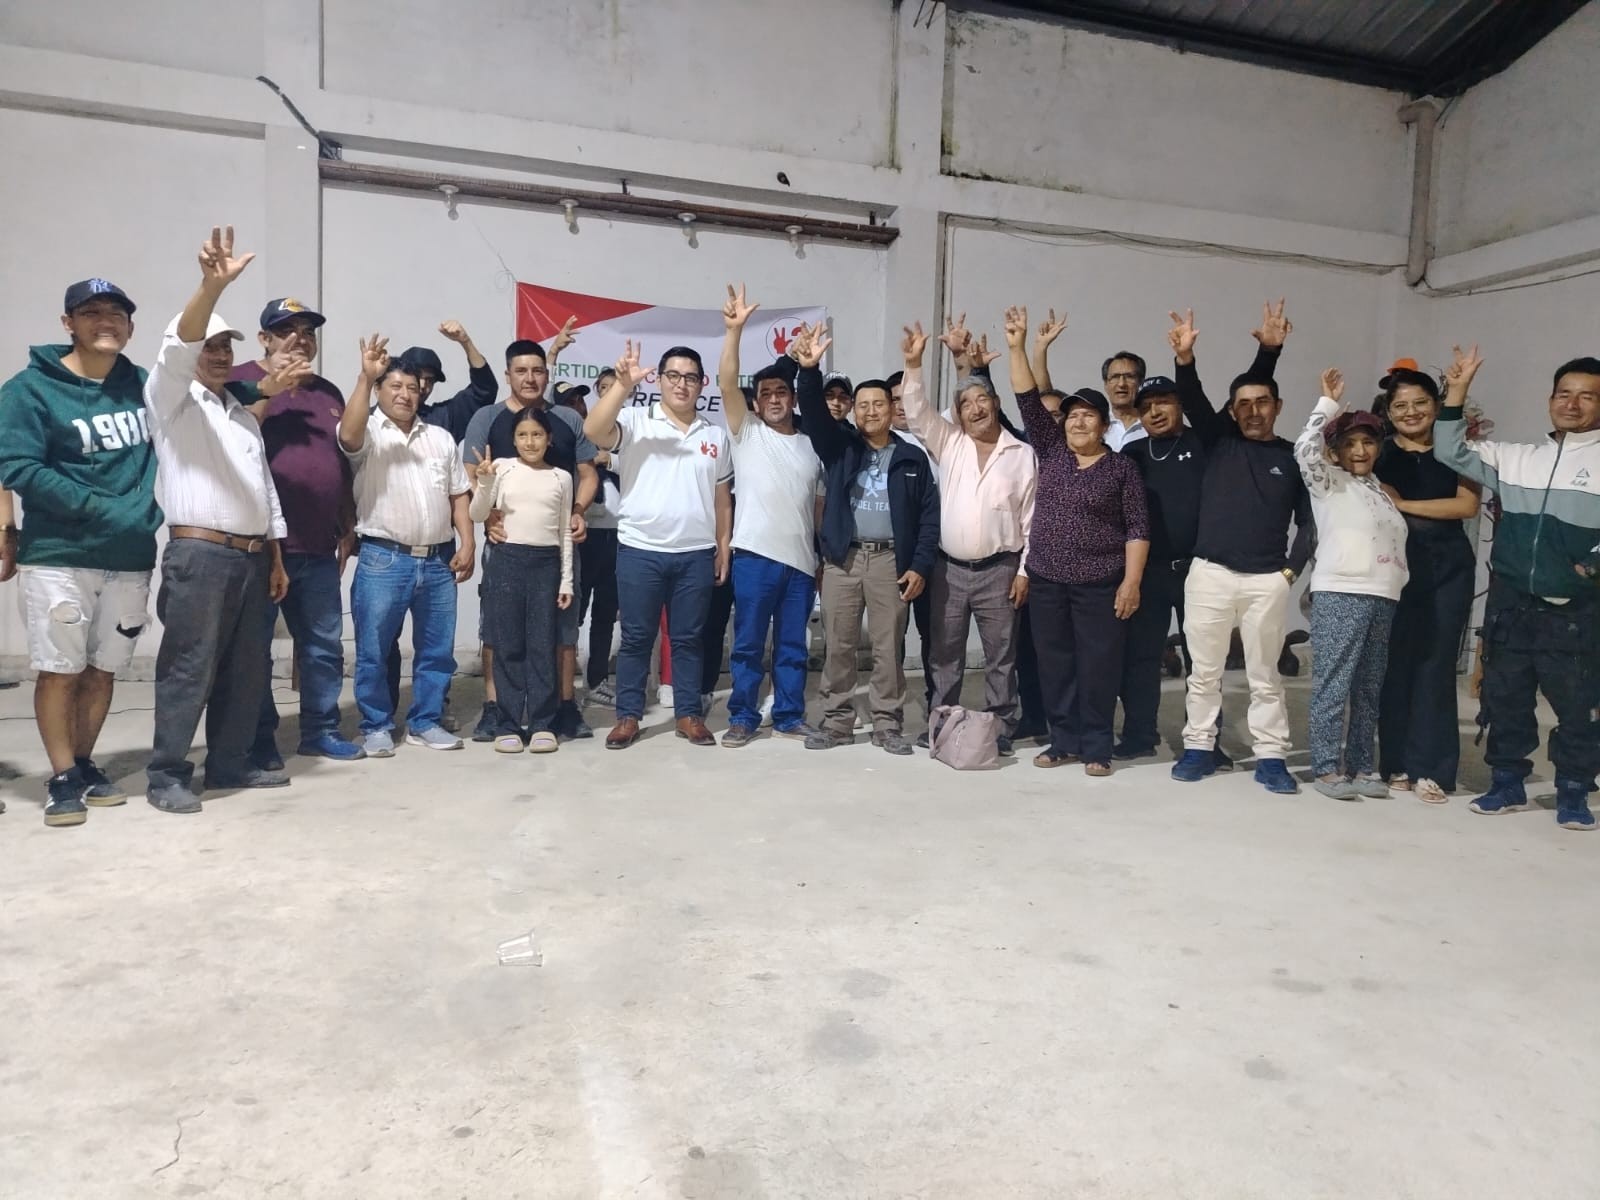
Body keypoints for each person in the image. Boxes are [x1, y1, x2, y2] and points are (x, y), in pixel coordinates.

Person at [0, 277, 161, 826]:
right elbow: (18, 467)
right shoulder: (28, 390)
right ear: (68, 323)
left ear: (130, 326)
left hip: (130, 555)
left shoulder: (141, 385)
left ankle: (85, 761)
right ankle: (62, 775)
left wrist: (262, 389)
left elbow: (204, 397)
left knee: (103, 669)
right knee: (59, 670)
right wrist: (99, 507)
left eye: (116, 312)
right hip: (59, 555)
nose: (105, 321)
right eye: (91, 312)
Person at [142, 227, 291, 814]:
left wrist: (274, 557)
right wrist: (211, 288)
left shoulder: (243, 415)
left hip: (253, 557)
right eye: (211, 345)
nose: (221, 354)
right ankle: (167, 775)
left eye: (228, 346)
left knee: (246, 668)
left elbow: (264, 492)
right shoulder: (172, 399)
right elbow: (177, 348)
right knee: (189, 666)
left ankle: (229, 762)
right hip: (199, 556)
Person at [1435, 346, 1600, 831]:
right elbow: (1450, 450)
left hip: (1574, 610)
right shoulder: (1517, 458)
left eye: (1587, 396)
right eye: (1563, 394)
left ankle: (1574, 790)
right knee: (1505, 699)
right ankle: (1506, 782)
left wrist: (1591, 568)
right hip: (1510, 605)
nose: (1572, 404)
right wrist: (1457, 392)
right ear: (1550, 400)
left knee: (1579, 706)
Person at [1167, 302, 1310, 794]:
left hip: (1267, 580)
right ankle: (1199, 748)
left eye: (1262, 402)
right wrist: (1185, 358)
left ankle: (1271, 757)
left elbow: (1309, 524)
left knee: (1265, 675)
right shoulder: (1219, 442)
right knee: (1203, 672)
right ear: (1232, 411)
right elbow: (1192, 397)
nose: (1253, 410)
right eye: (1243, 404)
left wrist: (1289, 573)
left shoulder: (1293, 459)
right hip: (1210, 574)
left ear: (1278, 407)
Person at [1007, 306, 1149, 776]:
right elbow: (1027, 397)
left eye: (1089, 417)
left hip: (1099, 585)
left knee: (1098, 666)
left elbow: (1137, 528)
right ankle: (1063, 740)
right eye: (1072, 417)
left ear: (1105, 426)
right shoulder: (1051, 452)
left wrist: (1131, 582)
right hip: (1048, 581)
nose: (1078, 423)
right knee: (1054, 663)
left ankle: (1097, 746)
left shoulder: (1121, 468)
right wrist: (1017, 346)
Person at [234, 294, 362, 766]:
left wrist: (347, 520)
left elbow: (338, 462)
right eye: (287, 331)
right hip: (260, 546)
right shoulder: (240, 380)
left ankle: (320, 731)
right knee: (254, 651)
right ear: (264, 338)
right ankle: (259, 739)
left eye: (308, 332)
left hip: (319, 544)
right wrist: (270, 386)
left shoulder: (327, 392)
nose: (300, 340)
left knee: (323, 646)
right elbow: (236, 440)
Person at [584, 340, 732, 749]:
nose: (681, 384)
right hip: (641, 550)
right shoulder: (635, 420)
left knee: (688, 639)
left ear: (702, 383)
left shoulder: (715, 435)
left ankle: (688, 714)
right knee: (636, 638)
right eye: (673, 376)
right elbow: (593, 430)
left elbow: (722, 498)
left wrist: (723, 545)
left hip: (695, 554)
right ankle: (628, 716)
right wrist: (622, 386)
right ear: (660, 380)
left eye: (690, 377)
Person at [799, 327, 940, 755]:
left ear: (891, 409)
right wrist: (809, 371)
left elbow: (929, 517)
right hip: (843, 560)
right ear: (854, 411)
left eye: (879, 403)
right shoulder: (839, 446)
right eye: (863, 405)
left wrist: (919, 565)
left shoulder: (912, 457)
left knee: (887, 648)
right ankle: (837, 721)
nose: (871, 411)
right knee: (839, 646)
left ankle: (887, 724)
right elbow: (813, 414)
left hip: (889, 562)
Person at [900, 321, 1036, 755]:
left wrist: (1025, 572)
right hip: (950, 570)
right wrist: (914, 363)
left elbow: (1032, 520)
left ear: (996, 404)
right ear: (957, 414)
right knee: (945, 653)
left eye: (982, 400)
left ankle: (1002, 727)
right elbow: (916, 412)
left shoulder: (1022, 454)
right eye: (966, 404)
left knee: (1001, 655)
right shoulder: (949, 444)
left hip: (1001, 570)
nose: (975, 409)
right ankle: (941, 722)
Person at [339, 336, 475, 757]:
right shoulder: (368, 433)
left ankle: (426, 721)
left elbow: (458, 494)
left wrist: (468, 541)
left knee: (437, 651)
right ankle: (376, 726)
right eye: (395, 386)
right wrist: (365, 377)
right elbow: (347, 435)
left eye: (413, 388)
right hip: (383, 559)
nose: (405, 394)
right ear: (380, 390)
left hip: (437, 560)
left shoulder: (440, 438)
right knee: (375, 651)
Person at [465, 334, 597, 741]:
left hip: (555, 545)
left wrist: (577, 512)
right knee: (497, 630)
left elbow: (587, 474)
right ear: (507, 375)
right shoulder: (487, 418)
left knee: (560, 630)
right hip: (505, 547)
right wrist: (487, 518)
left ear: (547, 374)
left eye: (538, 370)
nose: (530, 378)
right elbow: (473, 477)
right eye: (520, 370)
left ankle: (562, 709)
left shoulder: (568, 419)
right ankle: (496, 709)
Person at [1294, 368, 1410, 800]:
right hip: (1342, 592)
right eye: (1350, 443)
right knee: (1334, 683)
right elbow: (1304, 450)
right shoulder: (1329, 482)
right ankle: (1326, 767)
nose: (1360, 450)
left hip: (1383, 596)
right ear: (1336, 450)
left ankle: (1362, 766)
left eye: (1368, 442)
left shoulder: (1381, 490)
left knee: (1368, 687)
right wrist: (1326, 405)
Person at [715, 285, 824, 746]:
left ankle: (788, 716)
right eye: (766, 394)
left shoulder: (812, 444)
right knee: (747, 645)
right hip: (754, 558)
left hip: (800, 564)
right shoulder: (747, 432)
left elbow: (817, 507)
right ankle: (742, 716)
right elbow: (726, 382)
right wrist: (734, 332)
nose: (775, 399)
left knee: (793, 647)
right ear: (755, 403)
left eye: (782, 392)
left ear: (793, 399)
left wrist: (820, 558)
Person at [1372, 360, 1481, 804]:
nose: (1411, 412)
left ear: (1436, 406)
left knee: (1436, 665)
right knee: (1395, 663)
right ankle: (1395, 762)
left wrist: (1403, 504)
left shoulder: (1459, 452)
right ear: (1388, 412)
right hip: (1393, 567)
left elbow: (1466, 507)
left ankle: (1431, 767)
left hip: (1448, 568)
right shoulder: (1378, 453)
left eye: (1420, 403)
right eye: (1401, 406)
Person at [467, 409, 574, 754]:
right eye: (523, 435)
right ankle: (508, 724)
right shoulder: (501, 468)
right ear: (513, 440)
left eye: (537, 435)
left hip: (546, 566)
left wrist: (566, 581)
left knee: (542, 645)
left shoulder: (561, 477)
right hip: (507, 561)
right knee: (508, 645)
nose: (530, 442)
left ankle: (543, 724)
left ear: (549, 439)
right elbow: (477, 513)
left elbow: (564, 532)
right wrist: (484, 482)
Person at [399, 320, 499, 444]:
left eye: (430, 380)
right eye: (417, 377)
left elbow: (484, 390)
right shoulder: (378, 418)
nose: (423, 385)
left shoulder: (443, 418)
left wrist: (466, 342)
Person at [1100, 350, 1148, 452]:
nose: (1121, 384)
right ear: (1106, 385)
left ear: (1141, 382)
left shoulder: (1153, 425)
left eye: (1129, 377)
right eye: (1115, 377)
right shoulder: (1097, 426)